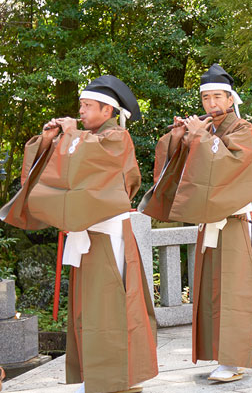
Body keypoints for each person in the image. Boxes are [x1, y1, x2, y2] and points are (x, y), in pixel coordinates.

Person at [0, 75, 158, 393]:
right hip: (86, 237)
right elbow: (55, 169)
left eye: (87, 106)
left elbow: (95, 166)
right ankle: (101, 377)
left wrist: (70, 135)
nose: (81, 112)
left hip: (109, 236)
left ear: (107, 109)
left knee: (112, 307)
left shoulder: (117, 138)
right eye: (81, 106)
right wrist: (46, 141)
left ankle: (121, 378)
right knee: (89, 309)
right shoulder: (82, 138)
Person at [138, 64, 252, 383]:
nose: (211, 104)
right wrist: (179, 138)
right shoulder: (208, 129)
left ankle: (233, 361)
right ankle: (219, 354)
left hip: (233, 223)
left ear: (231, 98)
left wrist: (202, 140)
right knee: (211, 290)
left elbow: (232, 163)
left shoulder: (242, 129)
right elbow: (183, 165)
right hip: (210, 223)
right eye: (206, 98)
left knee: (233, 290)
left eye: (217, 97)